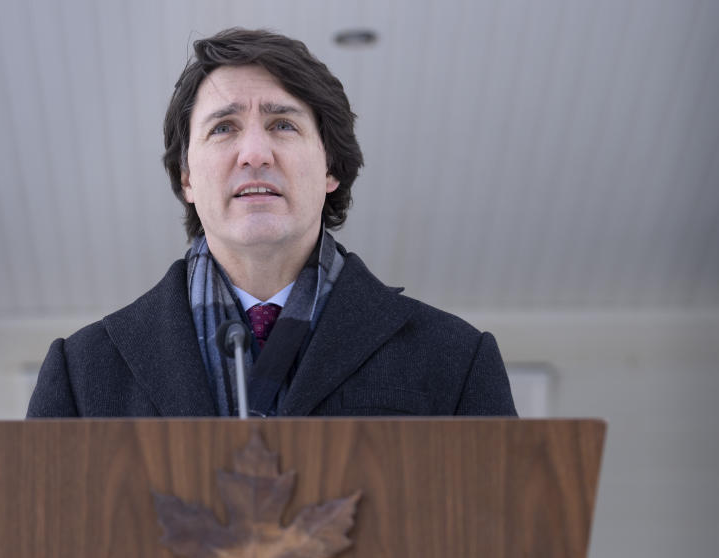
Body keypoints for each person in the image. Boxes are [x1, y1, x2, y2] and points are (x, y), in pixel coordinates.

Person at [27, 28, 516, 418]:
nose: (255, 154)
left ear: (330, 168)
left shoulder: (455, 359)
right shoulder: (81, 372)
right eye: (224, 128)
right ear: (186, 178)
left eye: (283, 124)